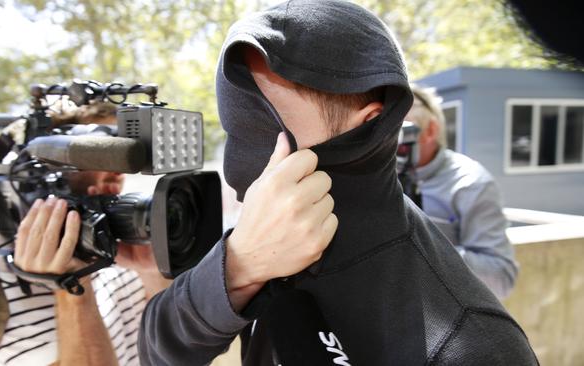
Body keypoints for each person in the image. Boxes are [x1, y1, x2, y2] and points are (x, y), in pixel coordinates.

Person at [136, 1, 538, 365]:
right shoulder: (266, 234)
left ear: (367, 125)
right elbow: (158, 351)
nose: (242, 158)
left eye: (263, 125)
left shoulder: (473, 345)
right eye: (235, 129)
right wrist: (238, 267)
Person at [0, 102, 171, 365]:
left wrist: (152, 271)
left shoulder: (126, 253)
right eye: (104, 151)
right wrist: (72, 288)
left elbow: (175, 354)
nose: (120, 167)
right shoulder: (14, 288)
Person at [405, 85, 518, 299]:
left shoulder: (471, 184)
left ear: (429, 131)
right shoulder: (375, 176)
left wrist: (424, 249)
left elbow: (501, 277)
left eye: (400, 132)